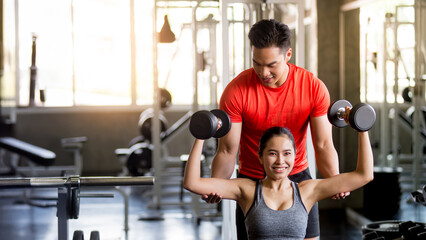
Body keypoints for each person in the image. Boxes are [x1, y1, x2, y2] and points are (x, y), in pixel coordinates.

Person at [203, 19, 347, 239]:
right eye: (257, 63)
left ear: (288, 55)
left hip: (297, 177)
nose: (263, 72)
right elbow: (227, 150)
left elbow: (323, 144)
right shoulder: (236, 91)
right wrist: (216, 186)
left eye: (271, 65)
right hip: (252, 181)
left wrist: (335, 180)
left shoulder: (312, 87)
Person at [185, 126, 373, 240]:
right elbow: (192, 182)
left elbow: (364, 175)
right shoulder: (246, 190)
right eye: (272, 153)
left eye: (287, 153)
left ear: (295, 156)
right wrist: (201, 136)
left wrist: (362, 131)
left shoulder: (308, 190)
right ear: (260, 157)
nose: (280, 161)